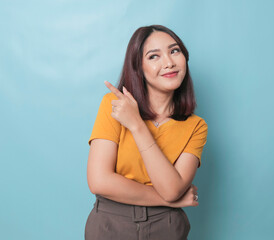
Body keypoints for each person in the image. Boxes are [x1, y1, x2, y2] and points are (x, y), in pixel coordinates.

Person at [85, 25, 208, 240]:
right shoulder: (114, 105)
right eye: (154, 56)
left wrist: (137, 126)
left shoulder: (196, 126)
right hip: (110, 223)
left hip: (167, 226)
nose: (168, 62)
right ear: (138, 67)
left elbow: (171, 189)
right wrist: (171, 200)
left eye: (174, 51)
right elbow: (99, 181)